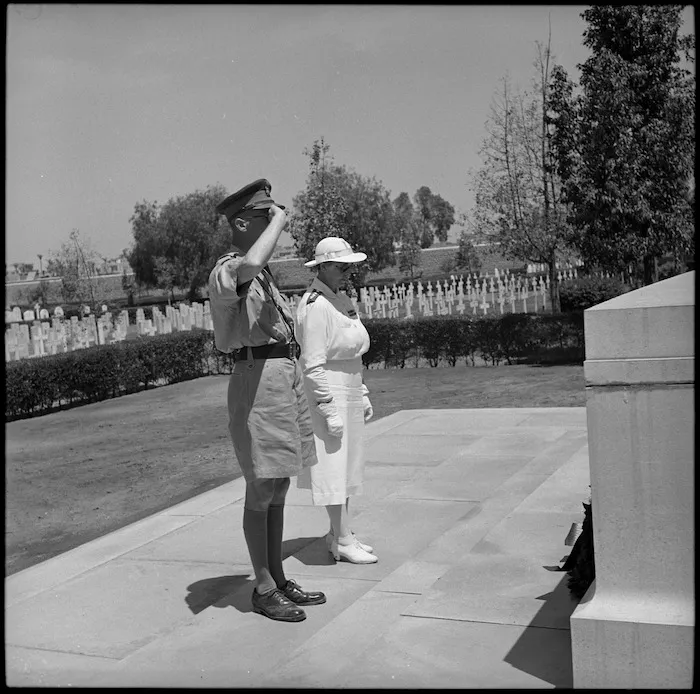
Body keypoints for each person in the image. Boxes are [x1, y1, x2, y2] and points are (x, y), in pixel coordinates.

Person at [208, 178, 325, 622]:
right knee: (261, 486)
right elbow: (250, 264)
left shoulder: (263, 274)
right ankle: (261, 588)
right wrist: (280, 218)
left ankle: (276, 577)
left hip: (281, 377)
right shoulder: (229, 268)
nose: (273, 223)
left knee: (278, 483)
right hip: (256, 381)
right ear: (242, 222)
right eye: (263, 216)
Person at [295, 236, 378, 564]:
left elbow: (353, 349)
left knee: (346, 467)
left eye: (350, 267)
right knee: (332, 467)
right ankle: (342, 540)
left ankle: (340, 532)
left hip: (348, 386)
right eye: (341, 267)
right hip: (328, 391)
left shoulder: (339, 298)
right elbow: (312, 363)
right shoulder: (315, 305)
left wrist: (363, 392)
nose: (347, 273)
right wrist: (328, 408)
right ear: (323, 267)